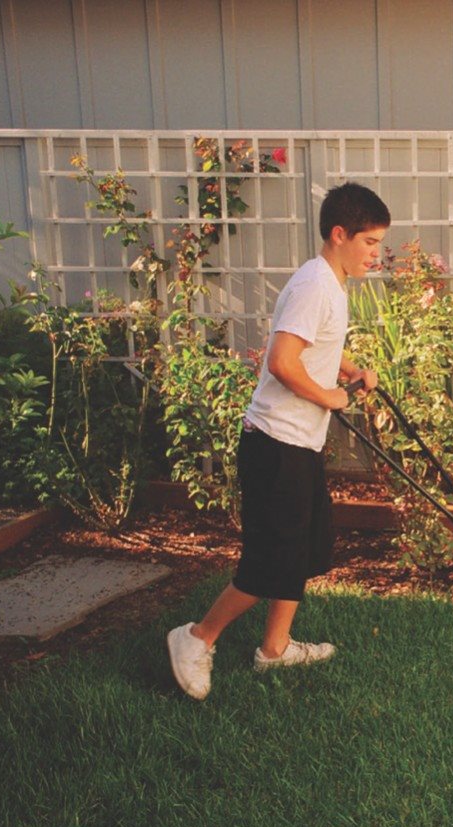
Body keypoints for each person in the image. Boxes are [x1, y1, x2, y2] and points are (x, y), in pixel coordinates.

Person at [167, 182, 391, 700]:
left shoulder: (329, 284)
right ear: (340, 234)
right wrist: (331, 397)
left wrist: (350, 368)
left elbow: (310, 351)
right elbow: (282, 363)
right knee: (270, 560)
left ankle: (274, 648)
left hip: (298, 445)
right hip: (276, 445)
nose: (376, 253)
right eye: (370, 242)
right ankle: (197, 638)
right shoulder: (316, 285)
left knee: (305, 548)